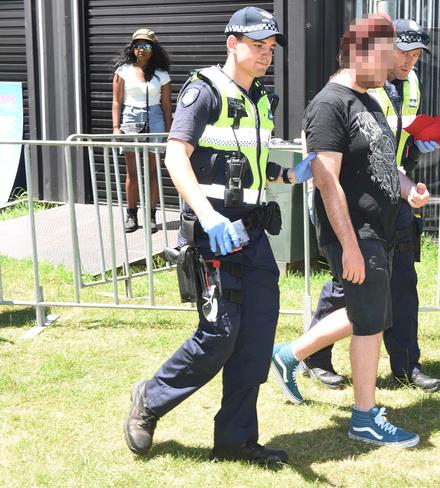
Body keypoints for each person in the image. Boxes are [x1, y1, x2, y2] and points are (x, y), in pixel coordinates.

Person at [123, 7, 315, 465]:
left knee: (254, 337)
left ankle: (235, 439)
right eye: (258, 46)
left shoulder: (260, 99)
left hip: (253, 234)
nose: (266, 55)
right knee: (219, 335)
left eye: (271, 48)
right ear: (233, 43)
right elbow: (175, 156)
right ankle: (149, 398)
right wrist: (208, 216)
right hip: (215, 236)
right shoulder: (204, 91)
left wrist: (289, 175)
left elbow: (247, 164)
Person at [271, 15, 429, 448]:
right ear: (360, 54)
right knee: (369, 324)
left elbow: (384, 163)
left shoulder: (372, 100)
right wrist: (349, 246)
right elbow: (327, 181)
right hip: (356, 231)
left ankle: (289, 355)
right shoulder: (328, 104)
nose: (393, 66)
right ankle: (364, 417)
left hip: (379, 227)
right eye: (385, 57)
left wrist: (408, 188)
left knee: (369, 313)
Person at [302, 18, 440, 393]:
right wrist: (348, 242)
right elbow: (329, 170)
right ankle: (307, 356)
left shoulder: (404, 85)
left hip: (392, 196)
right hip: (355, 210)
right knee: (349, 288)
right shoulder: (346, 94)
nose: (410, 61)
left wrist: (411, 166)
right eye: (403, 53)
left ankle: (406, 365)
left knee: (401, 281)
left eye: (416, 55)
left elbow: (388, 145)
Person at [112, 28, 172, 233]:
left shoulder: (161, 75)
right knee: (132, 171)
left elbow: (166, 106)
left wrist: (169, 132)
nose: (141, 50)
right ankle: (131, 216)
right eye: (138, 45)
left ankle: (151, 216)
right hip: (130, 117)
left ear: (153, 49)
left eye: (146, 46)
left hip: (155, 118)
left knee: (154, 171)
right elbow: (116, 102)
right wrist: (116, 128)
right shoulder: (123, 71)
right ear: (132, 48)